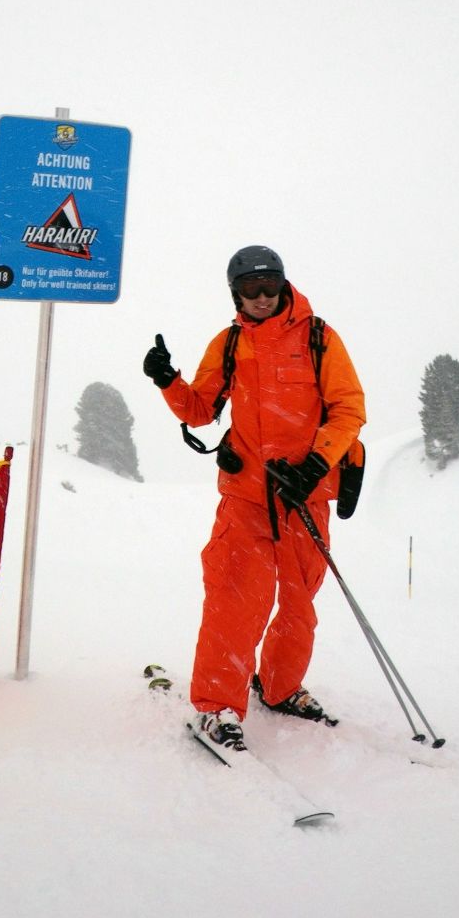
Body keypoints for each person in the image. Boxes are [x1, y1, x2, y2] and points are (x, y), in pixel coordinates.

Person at [143, 245, 366, 751]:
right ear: (235, 294)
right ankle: (217, 706)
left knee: (298, 604)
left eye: (270, 287)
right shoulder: (229, 344)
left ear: (283, 285)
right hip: (246, 497)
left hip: (304, 497)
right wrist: (168, 381)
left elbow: (348, 408)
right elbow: (200, 410)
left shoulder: (319, 338)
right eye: (250, 289)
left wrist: (315, 465)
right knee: (234, 600)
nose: (262, 297)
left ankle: (280, 687)